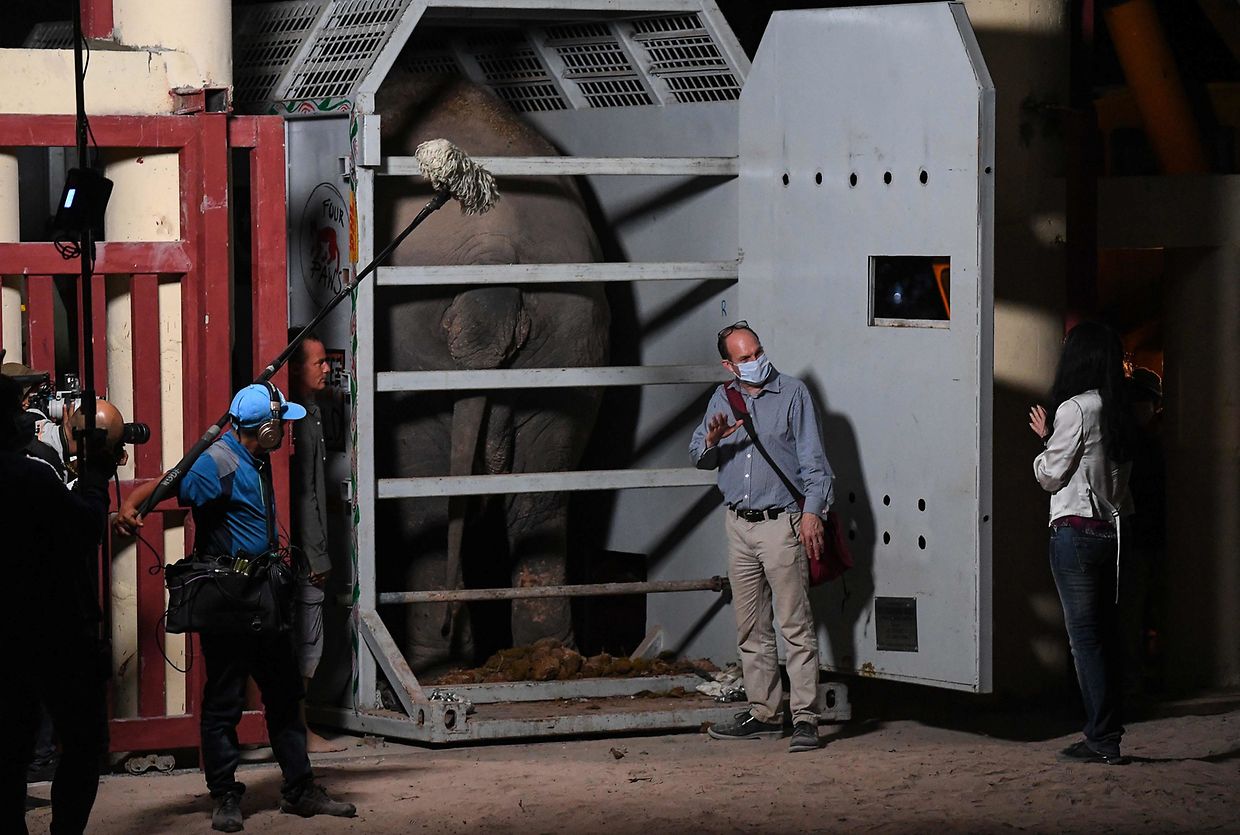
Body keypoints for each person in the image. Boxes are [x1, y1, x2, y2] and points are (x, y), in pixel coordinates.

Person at [116, 383, 355, 832]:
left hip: (263, 596)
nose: (284, 430)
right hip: (229, 599)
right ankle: (225, 794)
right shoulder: (219, 462)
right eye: (280, 423)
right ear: (264, 429)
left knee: (284, 694)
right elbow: (174, 481)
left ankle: (299, 790)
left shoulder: (254, 458)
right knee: (224, 701)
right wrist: (132, 502)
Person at [690, 321, 834, 754]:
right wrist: (712, 441)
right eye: (745, 358)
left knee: (795, 625)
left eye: (757, 352)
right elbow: (698, 454)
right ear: (729, 366)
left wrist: (812, 515)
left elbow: (815, 463)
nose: (755, 361)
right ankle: (766, 713)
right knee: (751, 627)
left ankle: (805, 718)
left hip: (781, 524)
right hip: (738, 524)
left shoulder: (793, 394)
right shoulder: (722, 398)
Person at [1, 377, 119, 835]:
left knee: (11, 749)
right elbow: (85, 528)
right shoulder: (27, 475)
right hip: (53, 628)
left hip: (15, 634)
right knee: (83, 741)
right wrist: (95, 479)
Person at [1029, 321, 1135, 766]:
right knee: (1105, 636)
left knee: (1084, 640)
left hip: (1074, 532)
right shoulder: (1120, 409)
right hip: (1110, 533)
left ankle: (1101, 737)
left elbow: (1050, 475)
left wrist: (1044, 445)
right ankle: (1106, 731)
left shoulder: (1075, 408)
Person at [287, 329, 345, 752]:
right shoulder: (298, 420)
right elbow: (304, 494)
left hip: (299, 549)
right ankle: (299, 731)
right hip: (303, 555)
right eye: (318, 362)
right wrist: (316, 554)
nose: (327, 368)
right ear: (293, 370)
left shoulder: (310, 412)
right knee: (306, 640)